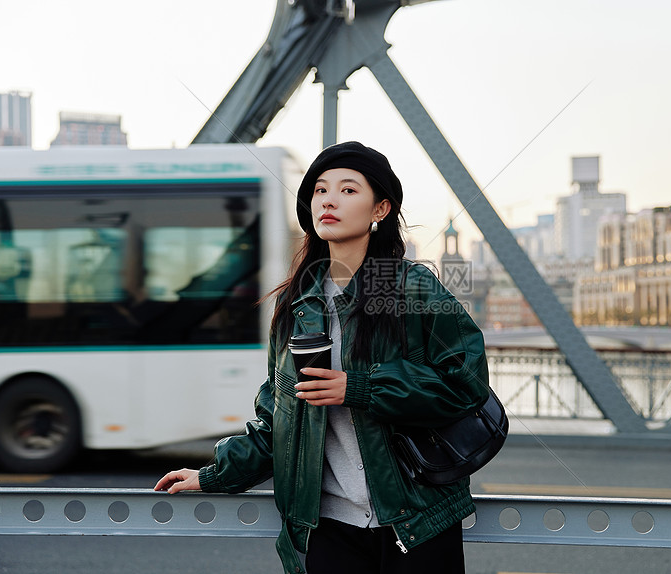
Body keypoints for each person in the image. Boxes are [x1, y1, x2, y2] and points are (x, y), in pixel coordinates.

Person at [154, 141, 490, 574]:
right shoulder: (297, 304)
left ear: (380, 209)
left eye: (349, 190)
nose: (329, 200)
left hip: (415, 522)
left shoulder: (410, 288)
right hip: (327, 525)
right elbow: (280, 419)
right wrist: (215, 474)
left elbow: (466, 382)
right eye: (319, 190)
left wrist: (361, 387)